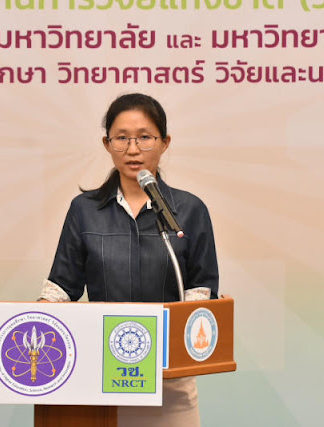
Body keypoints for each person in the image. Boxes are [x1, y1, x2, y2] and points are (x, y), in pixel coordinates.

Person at [38, 93, 219, 427]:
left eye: (145, 137)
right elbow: (61, 288)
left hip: (169, 382)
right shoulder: (84, 211)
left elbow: (201, 293)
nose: (133, 149)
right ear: (107, 144)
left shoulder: (190, 211)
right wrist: (31, 320)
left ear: (165, 143)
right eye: (121, 138)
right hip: (99, 377)